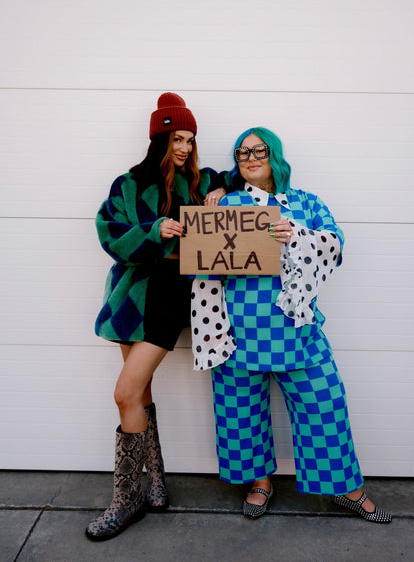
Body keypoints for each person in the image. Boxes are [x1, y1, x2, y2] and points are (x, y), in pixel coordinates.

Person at [190, 127, 392, 523]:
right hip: (237, 330)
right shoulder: (227, 204)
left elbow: (334, 246)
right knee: (239, 412)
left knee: (325, 405)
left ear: (275, 154)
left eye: (259, 149)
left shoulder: (306, 203)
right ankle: (259, 483)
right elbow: (205, 266)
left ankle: (347, 490)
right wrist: (210, 331)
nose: (250, 157)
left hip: (296, 330)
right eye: (242, 152)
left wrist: (297, 235)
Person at [85, 93, 225, 541]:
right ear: (159, 138)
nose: (184, 147)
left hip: (169, 297)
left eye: (190, 139)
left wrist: (222, 189)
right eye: (176, 138)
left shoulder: (200, 182)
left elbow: (233, 179)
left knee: (123, 392)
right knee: (139, 394)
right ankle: (156, 484)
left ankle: (127, 501)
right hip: (130, 299)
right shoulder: (128, 184)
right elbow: (109, 234)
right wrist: (152, 231)